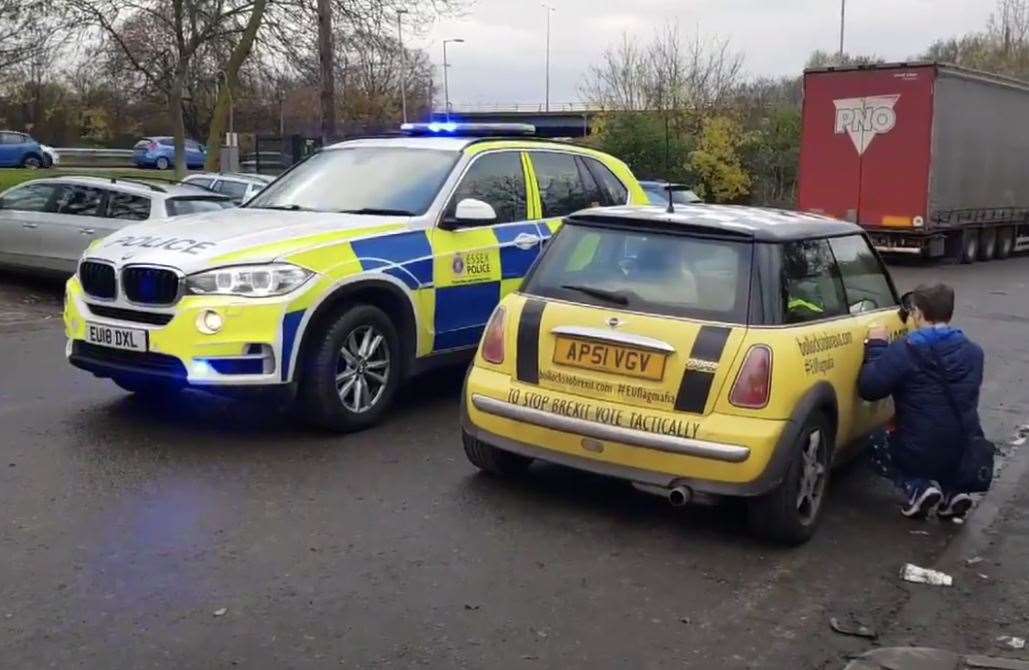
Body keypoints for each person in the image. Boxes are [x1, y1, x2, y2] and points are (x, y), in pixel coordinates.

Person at [858, 283, 985, 520]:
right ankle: (953, 491)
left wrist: (877, 348)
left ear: (917, 313)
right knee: (944, 434)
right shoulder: (974, 352)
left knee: (876, 441)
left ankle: (917, 487)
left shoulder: (908, 350)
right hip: (964, 446)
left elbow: (870, 388)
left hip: (919, 448)